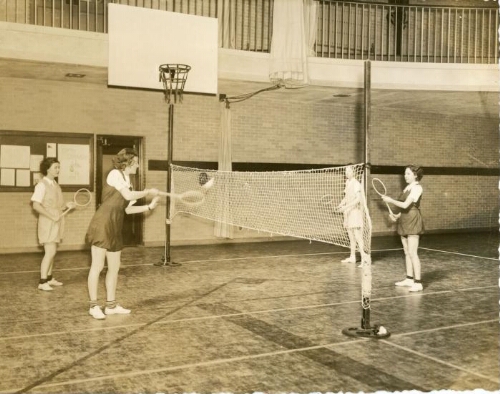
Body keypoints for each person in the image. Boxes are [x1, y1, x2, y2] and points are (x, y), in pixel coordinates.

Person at [85, 148, 160, 320]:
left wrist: (149, 206)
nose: (138, 165)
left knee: (114, 267)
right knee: (97, 266)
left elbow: (128, 208)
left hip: (116, 224)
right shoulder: (114, 174)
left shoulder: (129, 181)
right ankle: (93, 305)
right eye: (137, 162)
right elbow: (127, 194)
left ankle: (111, 305)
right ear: (128, 162)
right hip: (103, 222)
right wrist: (147, 192)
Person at [31, 157, 77, 291]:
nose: (58, 170)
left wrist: (67, 205)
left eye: (58, 167)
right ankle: (42, 281)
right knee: (49, 251)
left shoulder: (55, 185)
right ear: (47, 169)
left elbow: (59, 206)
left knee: (53, 251)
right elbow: (36, 205)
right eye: (55, 167)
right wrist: (51, 216)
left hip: (57, 220)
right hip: (47, 221)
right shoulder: (41, 185)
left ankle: (49, 278)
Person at [382, 165, 424, 292]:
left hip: (412, 220)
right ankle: (409, 278)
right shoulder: (407, 188)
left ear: (415, 175)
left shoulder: (417, 188)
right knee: (406, 252)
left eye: (408, 174)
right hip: (404, 219)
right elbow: (404, 209)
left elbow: (407, 205)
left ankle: (418, 283)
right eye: (405, 174)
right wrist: (397, 215)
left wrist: (390, 200)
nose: (405, 176)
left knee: (412, 253)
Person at [337, 165, 369, 267]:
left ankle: (365, 259)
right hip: (348, 213)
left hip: (355, 212)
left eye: (349, 171)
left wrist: (346, 207)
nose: (347, 173)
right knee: (351, 237)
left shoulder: (356, 184)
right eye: (346, 171)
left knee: (358, 236)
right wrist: (340, 204)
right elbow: (346, 198)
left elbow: (358, 199)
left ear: (354, 172)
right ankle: (352, 257)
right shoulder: (347, 183)